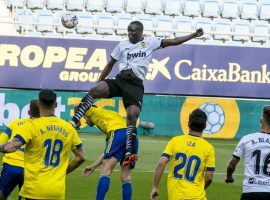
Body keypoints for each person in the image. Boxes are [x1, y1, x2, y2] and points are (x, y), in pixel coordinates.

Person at [70, 21, 204, 166]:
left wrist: (194, 35)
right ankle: (74, 121)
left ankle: (129, 153)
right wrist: (99, 81)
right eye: (129, 30)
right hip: (121, 79)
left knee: (132, 116)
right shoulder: (122, 45)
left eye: (134, 31)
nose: (131, 33)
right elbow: (110, 65)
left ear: (141, 31)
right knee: (94, 90)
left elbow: (173, 42)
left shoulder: (150, 42)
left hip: (135, 84)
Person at [0, 89, 86, 199]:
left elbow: (11, 147)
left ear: (38, 103)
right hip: (56, 192)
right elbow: (82, 156)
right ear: (56, 104)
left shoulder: (31, 125)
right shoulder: (68, 128)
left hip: (33, 191)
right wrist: (64, 172)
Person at [150, 108, 215, 200]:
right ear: (205, 126)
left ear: (188, 124)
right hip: (197, 197)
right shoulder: (208, 148)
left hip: (176, 196)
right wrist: (199, 189)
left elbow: (161, 163)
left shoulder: (175, 141)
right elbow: (209, 177)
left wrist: (155, 187)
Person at [79, 105, 138, 200]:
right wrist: (93, 166)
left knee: (105, 170)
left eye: (84, 118)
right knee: (125, 176)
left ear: (87, 114)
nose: (85, 121)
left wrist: (76, 121)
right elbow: (107, 153)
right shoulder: (108, 121)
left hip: (119, 133)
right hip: (133, 136)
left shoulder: (92, 110)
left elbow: (78, 106)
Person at [225, 105, 270, 200]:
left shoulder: (247, 139)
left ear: (261, 119)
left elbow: (232, 164)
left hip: (251, 191)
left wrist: (229, 176)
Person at [0, 99, 39, 200]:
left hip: (11, 165)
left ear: (29, 112)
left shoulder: (15, 123)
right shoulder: (45, 128)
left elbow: (2, 140)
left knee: (1, 194)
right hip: (31, 169)